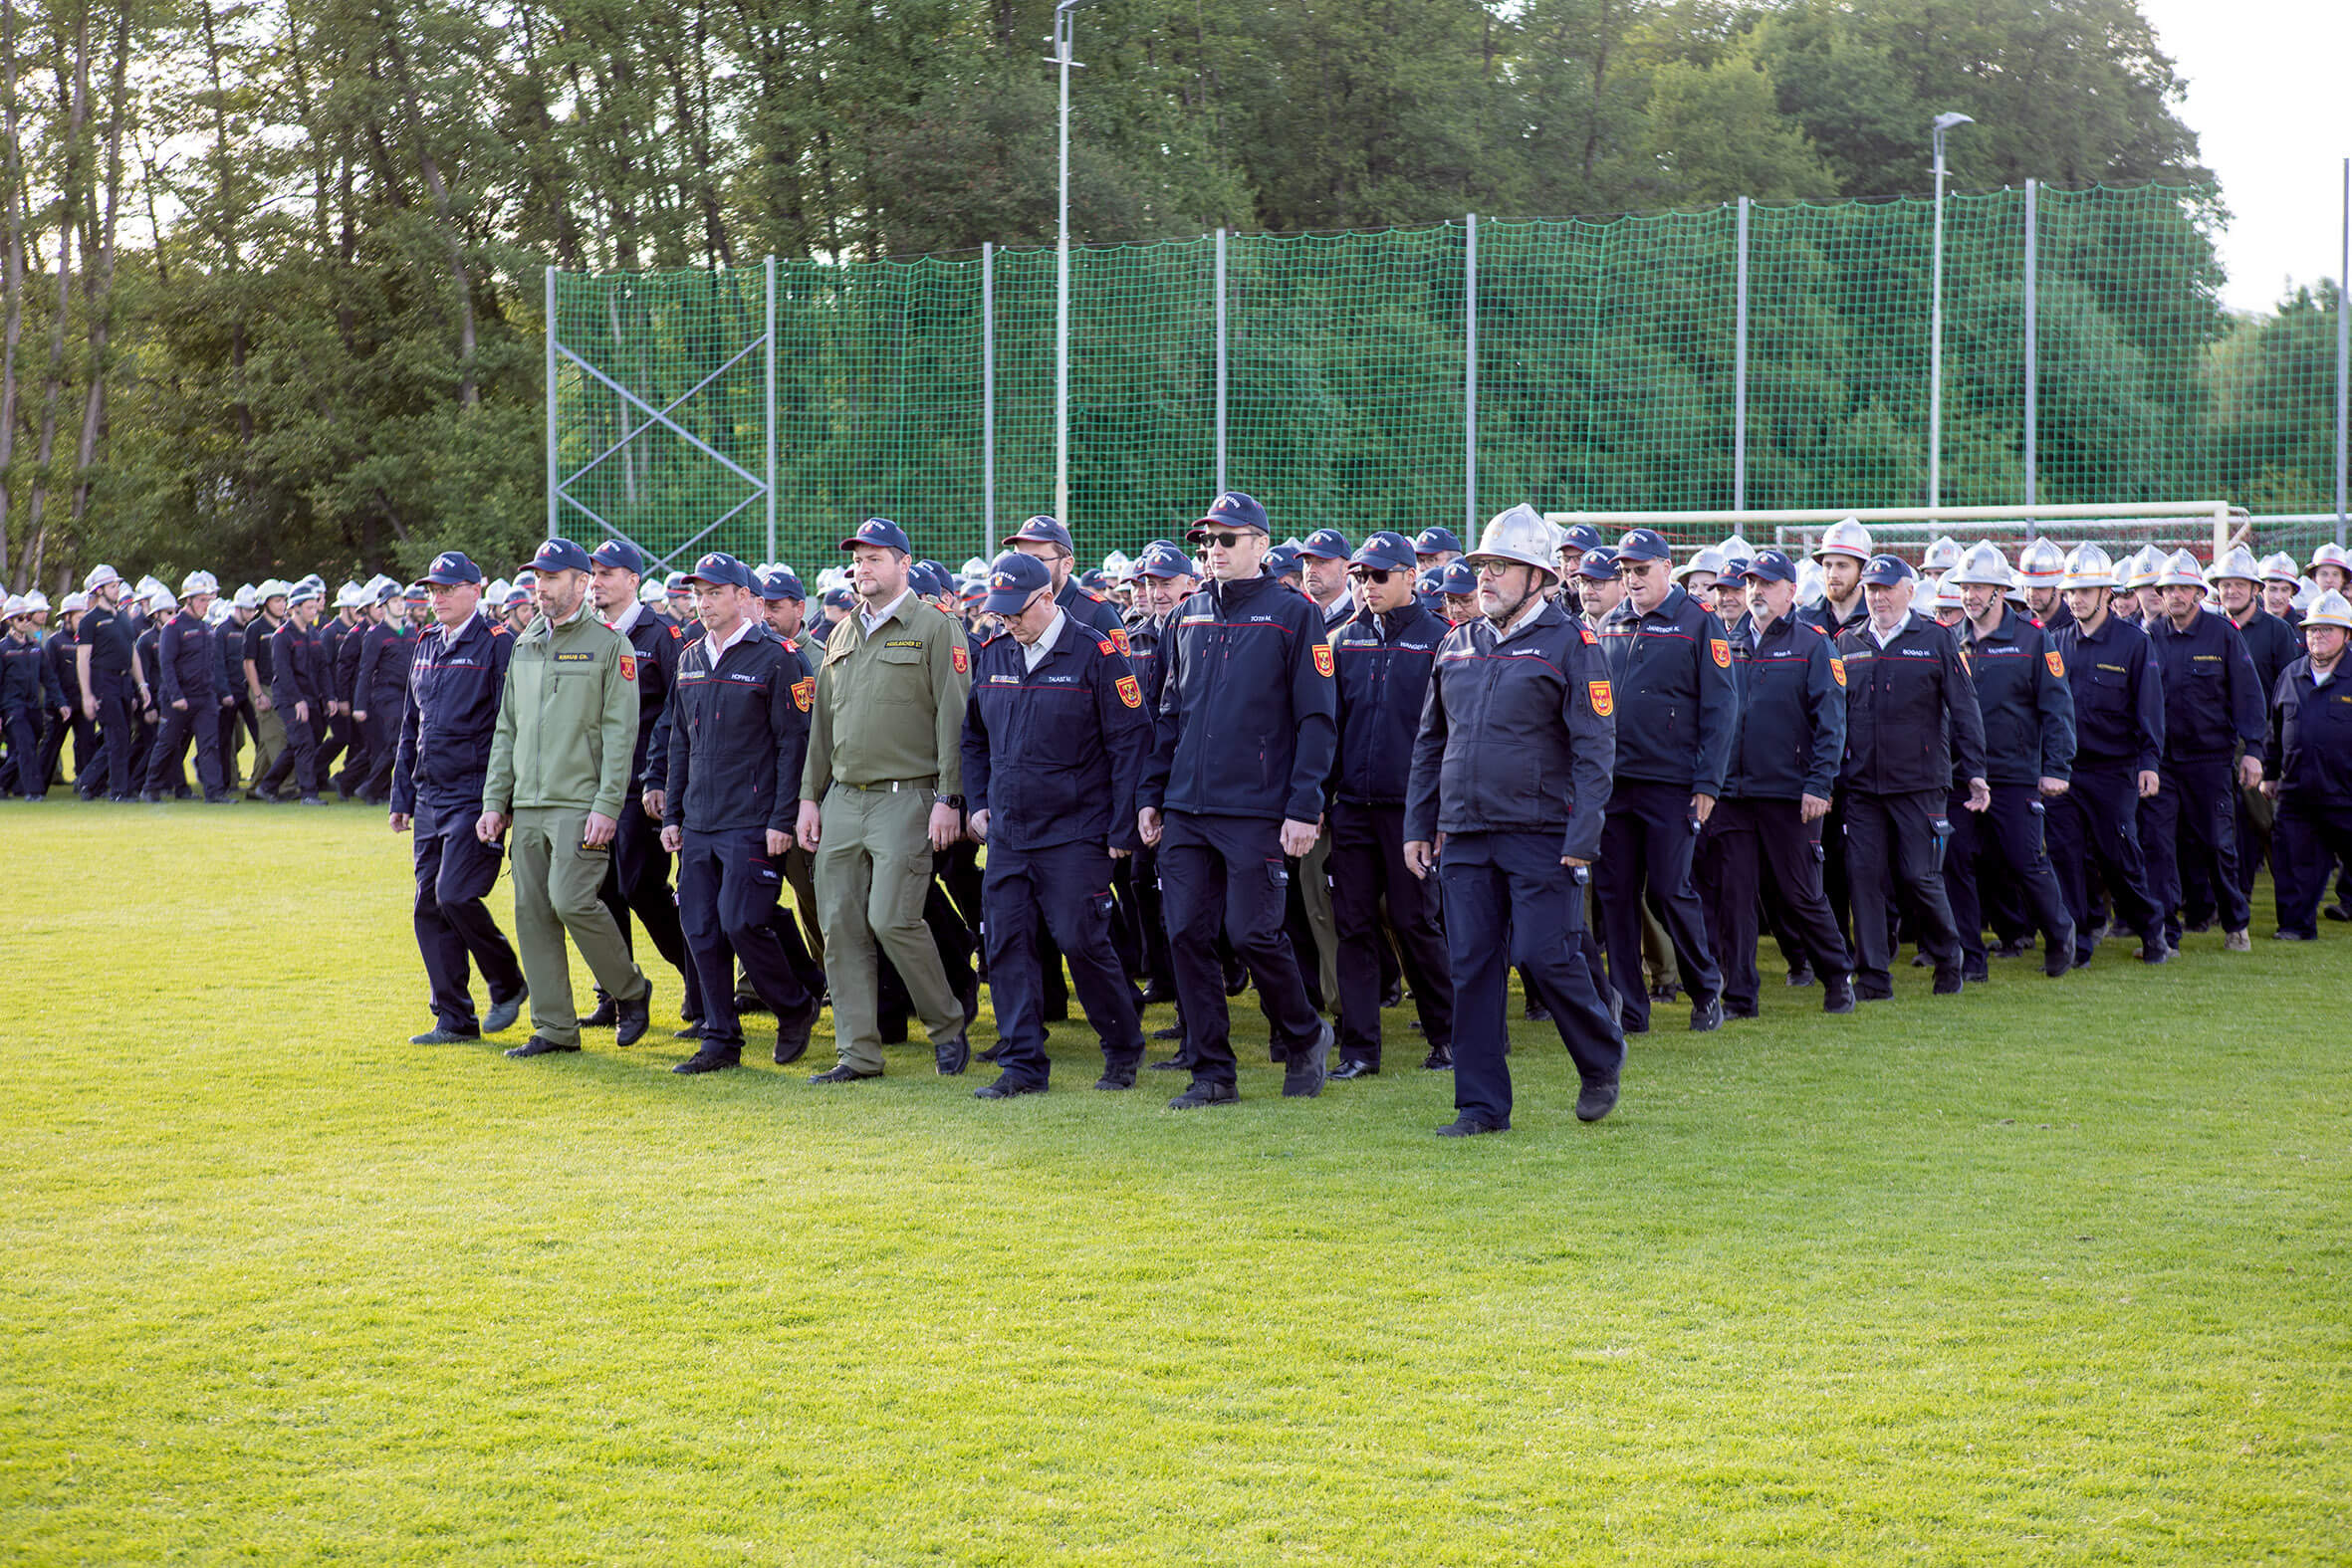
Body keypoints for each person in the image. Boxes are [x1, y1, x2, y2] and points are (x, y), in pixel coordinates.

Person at [1404, 505, 1623, 1135]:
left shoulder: (1573, 645)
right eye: (1483, 568)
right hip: (1466, 833)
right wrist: (1420, 825)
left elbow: (1594, 748)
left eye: (1502, 568)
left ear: (1539, 578)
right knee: (1470, 964)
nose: (1487, 579)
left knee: (1545, 956)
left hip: (1542, 835)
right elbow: (1429, 742)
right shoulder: (1457, 642)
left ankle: (1601, 1056)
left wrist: (1583, 837)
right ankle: (1480, 1107)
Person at [1138, 490, 1337, 1108]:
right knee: (1187, 936)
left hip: (1257, 808)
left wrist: (1304, 806)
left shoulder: (1293, 613)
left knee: (1252, 934)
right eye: (1207, 540)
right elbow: (1169, 712)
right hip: (1186, 808)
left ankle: (1306, 1036)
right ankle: (1212, 1073)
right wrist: (1151, 794)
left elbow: (1317, 718)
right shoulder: (1187, 614)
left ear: (1259, 544)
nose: (1213, 549)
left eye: (1227, 539)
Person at [959, 553, 1153, 1096]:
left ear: (1046, 599)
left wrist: (1121, 829)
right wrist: (977, 801)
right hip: (1009, 834)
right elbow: (973, 738)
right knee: (1005, 946)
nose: (1006, 623)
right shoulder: (994, 655)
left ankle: (1121, 1047)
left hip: (1076, 832)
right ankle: (1022, 1065)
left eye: (1015, 612)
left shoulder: (1096, 653)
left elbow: (1131, 741)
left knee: (1080, 939)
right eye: (999, 614)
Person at [798, 517, 974, 1082]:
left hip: (909, 796)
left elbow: (955, 718)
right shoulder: (842, 632)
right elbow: (822, 726)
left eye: (874, 559)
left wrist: (951, 796)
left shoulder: (934, 627)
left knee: (893, 919)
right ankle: (858, 1054)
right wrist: (808, 798)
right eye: (857, 559)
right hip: (843, 798)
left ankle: (947, 1025)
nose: (861, 568)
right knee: (840, 925)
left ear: (903, 563)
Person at [477, 540, 654, 1059]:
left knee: (571, 900)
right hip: (528, 805)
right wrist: (495, 801)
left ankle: (630, 990)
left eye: (552, 578)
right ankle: (554, 1028)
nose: (541, 586)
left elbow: (622, 734)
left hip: (580, 802)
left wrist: (607, 806)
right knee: (531, 913)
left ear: (582, 583)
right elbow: (507, 728)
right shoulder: (525, 643)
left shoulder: (609, 644)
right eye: (537, 577)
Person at [660, 552, 823, 1072]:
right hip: (700, 821)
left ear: (742, 597)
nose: (703, 603)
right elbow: (680, 743)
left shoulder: (778, 657)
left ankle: (795, 1006)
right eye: (698, 594)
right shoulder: (689, 657)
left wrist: (782, 821)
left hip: (753, 821)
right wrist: (672, 815)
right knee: (700, 929)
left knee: (743, 921)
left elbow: (792, 744)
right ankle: (720, 1039)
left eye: (714, 593)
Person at [1698, 550, 1857, 1015]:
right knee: (1735, 898)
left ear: (1790, 590)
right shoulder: (1727, 641)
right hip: (1733, 794)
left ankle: (1836, 975)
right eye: (1751, 583)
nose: (1756, 591)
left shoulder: (1813, 643)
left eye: (1766, 583)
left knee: (1801, 893)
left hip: (1790, 795)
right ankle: (1741, 996)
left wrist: (1819, 784)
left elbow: (1832, 722)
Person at [1324, 529, 1455, 1075]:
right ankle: (1359, 1050)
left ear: (1410, 577)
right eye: (1360, 575)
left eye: (1378, 575)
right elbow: (1327, 729)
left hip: (1412, 811)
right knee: (1352, 924)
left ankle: (1448, 1035)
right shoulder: (1343, 640)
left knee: (1413, 921)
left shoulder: (1441, 639)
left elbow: (1454, 731)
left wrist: (1441, 812)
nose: (1367, 585)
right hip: (1352, 807)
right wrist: (1319, 802)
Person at [1594, 527, 1735, 1032]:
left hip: (1672, 784)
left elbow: (1722, 708)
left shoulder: (1700, 622)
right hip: (1615, 784)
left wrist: (1707, 785)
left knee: (1671, 891)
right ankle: (1632, 1008)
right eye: (1625, 572)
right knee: (1614, 894)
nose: (1632, 580)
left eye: (1641, 570)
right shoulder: (1610, 623)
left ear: (1665, 567)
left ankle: (1705, 989)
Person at [1832, 556, 1990, 998]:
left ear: (1908, 590)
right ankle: (1873, 977)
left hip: (1920, 783)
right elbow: (1833, 713)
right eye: (1870, 589)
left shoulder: (1937, 639)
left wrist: (1975, 772)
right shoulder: (1848, 641)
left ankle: (1948, 957)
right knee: (1862, 876)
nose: (1877, 596)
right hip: (1862, 785)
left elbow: (1964, 708)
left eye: (1885, 588)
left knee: (1920, 876)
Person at [390, 552, 530, 1044]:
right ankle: (453, 1018)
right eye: (433, 590)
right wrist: (401, 795)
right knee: (427, 906)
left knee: (454, 894)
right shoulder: (426, 643)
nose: (439, 598)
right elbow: (413, 724)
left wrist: (502, 800)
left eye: (449, 588)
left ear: (477, 590)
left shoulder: (498, 644)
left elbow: (511, 728)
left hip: (474, 795)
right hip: (429, 794)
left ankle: (507, 980)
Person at [1934, 543, 2078, 981]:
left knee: (2023, 860)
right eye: (1964, 587)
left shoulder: (2034, 640)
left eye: (1978, 587)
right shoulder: (1950, 641)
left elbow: (2058, 709)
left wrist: (2057, 768)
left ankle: (2059, 934)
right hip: (1960, 776)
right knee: (1955, 862)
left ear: (2000, 591)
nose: (1969, 595)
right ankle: (1970, 958)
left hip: (2014, 776)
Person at [578, 538, 692, 1027]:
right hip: (591, 785)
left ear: (632, 580)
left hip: (640, 786)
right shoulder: (586, 633)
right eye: (593, 573)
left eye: (607, 573)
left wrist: (661, 777)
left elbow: (679, 710)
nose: (597, 582)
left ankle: (698, 976)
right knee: (599, 892)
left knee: (643, 887)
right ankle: (616, 992)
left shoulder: (662, 634)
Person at [2044, 545, 2171, 969]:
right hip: (2065, 772)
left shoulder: (2134, 643)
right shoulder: (2054, 642)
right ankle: (2077, 940)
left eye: (2086, 591)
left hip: (2115, 769)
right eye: (2071, 593)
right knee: (2064, 856)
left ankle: (2152, 928)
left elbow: (2149, 708)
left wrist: (2149, 762)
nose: (2076, 600)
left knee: (2119, 856)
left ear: (2107, 595)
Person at [2142, 550, 2265, 954]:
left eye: (2183, 588)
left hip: (2210, 760)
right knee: (2159, 846)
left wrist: (2254, 751)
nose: (2174, 594)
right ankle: (2164, 934)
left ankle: (2235, 922)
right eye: (2168, 588)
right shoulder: (2149, 637)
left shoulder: (2223, 634)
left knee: (2217, 843)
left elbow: (2248, 694)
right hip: (2162, 762)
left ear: (2198, 592)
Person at [2264, 589, 2352, 938]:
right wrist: (2270, 774)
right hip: (2297, 791)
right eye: (2313, 629)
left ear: (2347, 634)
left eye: (2328, 629)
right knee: (2294, 863)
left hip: (2346, 793)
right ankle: (2295, 926)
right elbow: (2275, 729)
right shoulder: (2290, 675)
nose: (2318, 635)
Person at [144, 572, 235, 803]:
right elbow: (166, 664)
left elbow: (212, 665)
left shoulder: (206, 628)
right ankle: (151, 787)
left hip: (204, 697)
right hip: (178, 697)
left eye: (208, 600)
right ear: (189, 600)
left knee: (209, 745)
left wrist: (217, 694)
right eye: (202, 600)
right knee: (167, 743)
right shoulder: (173, 627)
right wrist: (176, 696)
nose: (206, 604)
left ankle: (214, 793)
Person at [73, 565, 140, 801]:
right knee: (117, 735)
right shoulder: (90, 621)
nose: (117, 590)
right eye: (112, 586)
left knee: (121, 735)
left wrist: (141, 685)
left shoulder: (122, 617)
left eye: (117, 585)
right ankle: (120, 791)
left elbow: (132, 653)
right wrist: (87, 695)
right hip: (103, 680)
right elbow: (82, 659)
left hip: (123, 681)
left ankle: (88, 780)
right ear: (99, 590)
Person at [353, 586, 422, 803]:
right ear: (383, 607)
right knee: (395, 744)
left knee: (403, 745)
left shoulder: (411, 631)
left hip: (409, 694)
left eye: (401, 600)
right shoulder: (375, 635)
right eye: (394, 601)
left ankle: (378, 789)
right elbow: (365, 670)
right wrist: (359, 705)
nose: (400, 604)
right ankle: (370, 787)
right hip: (386, 694)